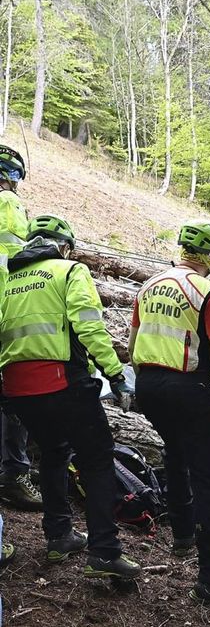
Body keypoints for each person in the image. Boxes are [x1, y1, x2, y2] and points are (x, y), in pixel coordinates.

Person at [0, 215, 140, 579]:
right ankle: (105, 553)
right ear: (64, 246)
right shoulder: (69, 271)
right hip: (64, 382)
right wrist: (115, 374)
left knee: (54, 452)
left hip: (18, 389)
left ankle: (59, 535)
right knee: (97, 460)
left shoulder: (9, 278)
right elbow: (89, 326)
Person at [128, 219, 210, 604]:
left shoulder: (149, 286)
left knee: (174, 453)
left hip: (147, 385)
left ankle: (181, 535)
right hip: (188, 388)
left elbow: (132, 342)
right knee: (207, 479)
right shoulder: (209, 292)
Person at [0, 144, 42, 511]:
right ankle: (14, 474)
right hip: (6, 313)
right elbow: (15, 264)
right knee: (14, 397)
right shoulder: (9, 206)